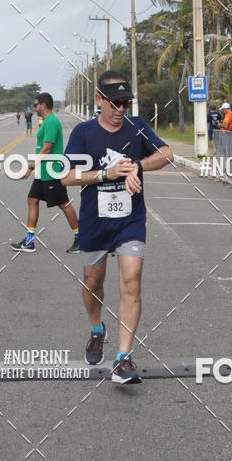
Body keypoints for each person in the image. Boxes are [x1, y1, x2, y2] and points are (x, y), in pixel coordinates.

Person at [61, 71, 172, 385]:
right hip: (95, 221)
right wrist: (105, 174)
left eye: (126, 102)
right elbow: (65, 176)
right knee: (92, 282)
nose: (121, 108)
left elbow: (166, 153)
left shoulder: (137, 127)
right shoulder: (83, 133)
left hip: (130, 221)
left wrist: (137, 165)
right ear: (99, 99)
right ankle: (97, 330)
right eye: (115, 102)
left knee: (132, 282)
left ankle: (123, 358)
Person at [10, 93, 79, 254]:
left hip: (51, 171)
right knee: (32, 200)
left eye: (36, 105)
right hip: (44, 171)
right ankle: (29, 242)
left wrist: (31, 166)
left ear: (43, 105)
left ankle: (80, 238)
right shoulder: (46, 122)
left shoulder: (51, 122)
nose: (34, 108)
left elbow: (47, 148)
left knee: (64, 204)